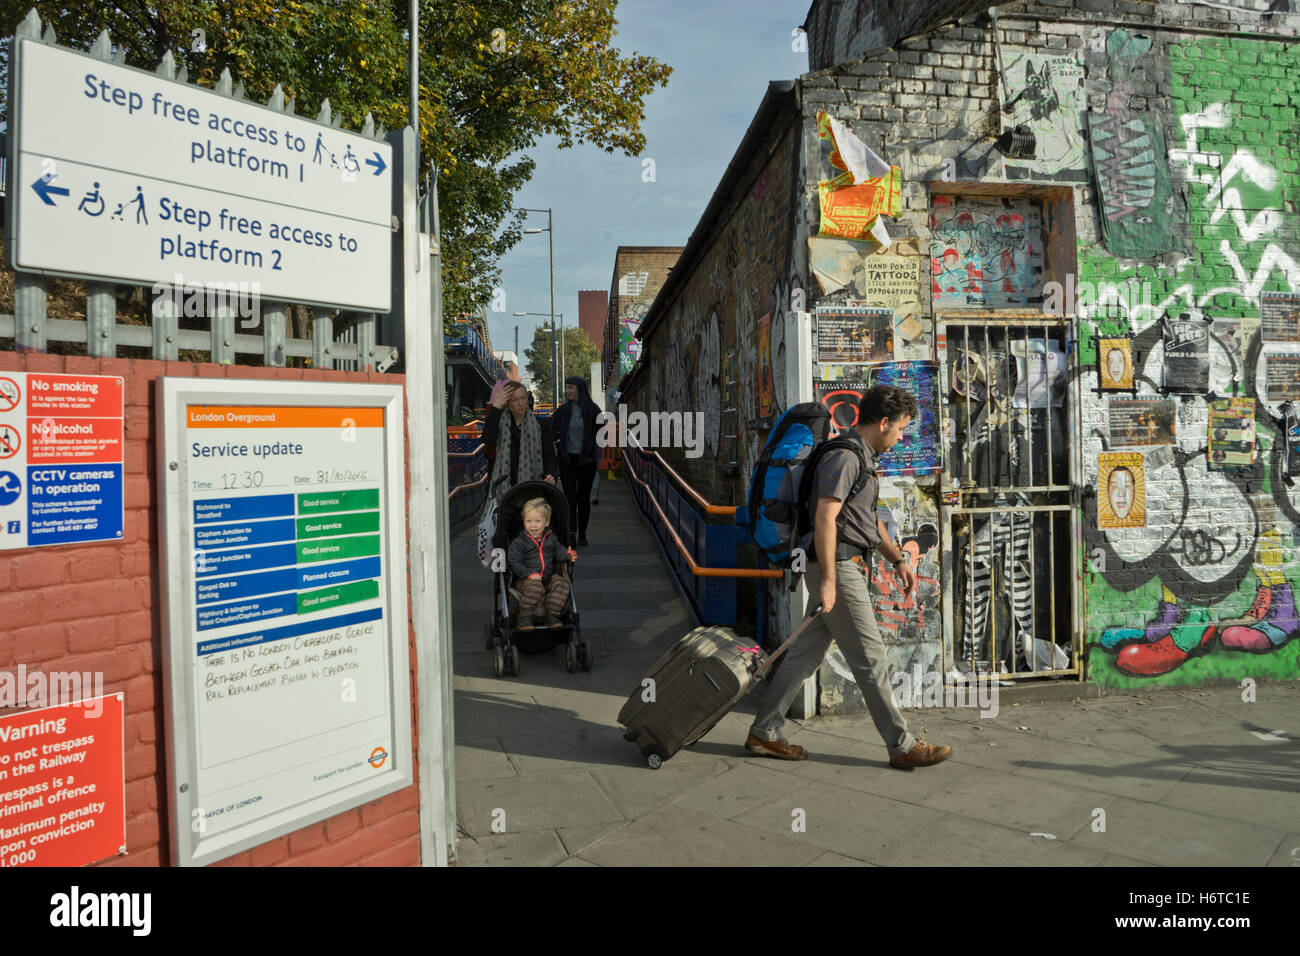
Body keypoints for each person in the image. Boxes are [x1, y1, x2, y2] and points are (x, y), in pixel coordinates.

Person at [745, 385, 953, 769]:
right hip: (837, 568)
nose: (901, 437)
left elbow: (865, 519)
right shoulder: (844, 457)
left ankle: (765, 731)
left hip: (840, 566)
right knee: (871, 659)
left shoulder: (861, 457)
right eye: (900, 429)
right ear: (884, 422)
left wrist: (898, 560)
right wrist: (828, 580)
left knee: (803, 655)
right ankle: (901, 745)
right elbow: (825, 517)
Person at [507, 498, 578, 629]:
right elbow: (514, 562)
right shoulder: (520, 542)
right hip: (525, 580)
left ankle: (552, 614)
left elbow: (559, 552)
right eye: (528, 521)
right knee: (535, 587)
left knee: (562, 584)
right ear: (523, 522)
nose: (533, 525)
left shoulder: (551, 538)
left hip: (546, 578)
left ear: (546, 522)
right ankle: (524, 616)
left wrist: (568, 554)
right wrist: (529, 574)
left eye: (537, 521)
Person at [483, 381, 558, 499]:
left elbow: (549, 455)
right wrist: (496, 407)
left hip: (534, 488)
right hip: (504, 490)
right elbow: (488, 438)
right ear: (508, 403)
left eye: (523, 398)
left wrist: (551, 475)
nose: (521, 403)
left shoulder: (540, 425)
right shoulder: (499, 423)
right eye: (515, 400)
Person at [551, 376, 601, 546]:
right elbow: (555, 430)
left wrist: (592, 448)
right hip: (567, 461)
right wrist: (558, 442)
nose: (567, 391)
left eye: (571, 387)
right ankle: (571, 532)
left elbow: (600, 433)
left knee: (583, 497)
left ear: (580, 389)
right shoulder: (562, 411)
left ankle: (583, 532)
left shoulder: (593, 410)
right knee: (569, 497)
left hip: (586, 460)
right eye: (566, 387)